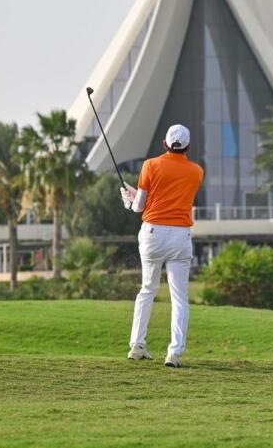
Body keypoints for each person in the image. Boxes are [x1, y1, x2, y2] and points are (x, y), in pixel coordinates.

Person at [120, 124, 204, 368]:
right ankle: (174, 353)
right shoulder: (196, 171)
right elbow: (170, 196)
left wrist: (130, 198)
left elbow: (140, 207)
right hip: (179, 236)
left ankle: (137, 346)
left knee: (147, 289)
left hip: (153, 233)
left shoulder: (150, 165)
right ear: (188, 146)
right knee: (179, 297)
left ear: (165, 144)